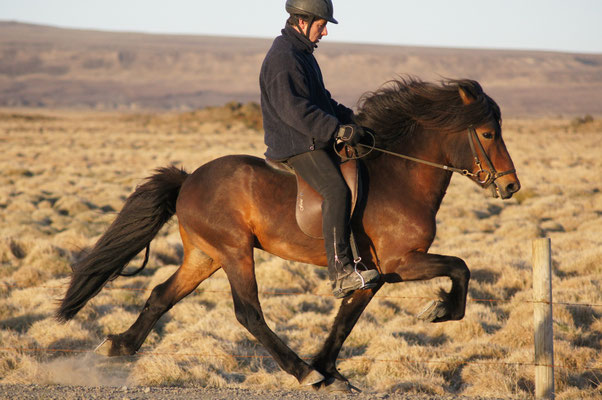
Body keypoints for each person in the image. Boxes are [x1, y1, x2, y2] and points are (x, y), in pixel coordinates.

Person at [260, 0, 379, 298]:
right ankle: (340, 272)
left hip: (311, 137)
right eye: (321, 25)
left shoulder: (302, 54)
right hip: (296, 143)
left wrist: (352, 120)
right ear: (302, 21)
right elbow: (295, 110)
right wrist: (335, 130)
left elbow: (320, 100)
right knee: (336, 191)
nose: (325, 33)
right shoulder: (284, 57)